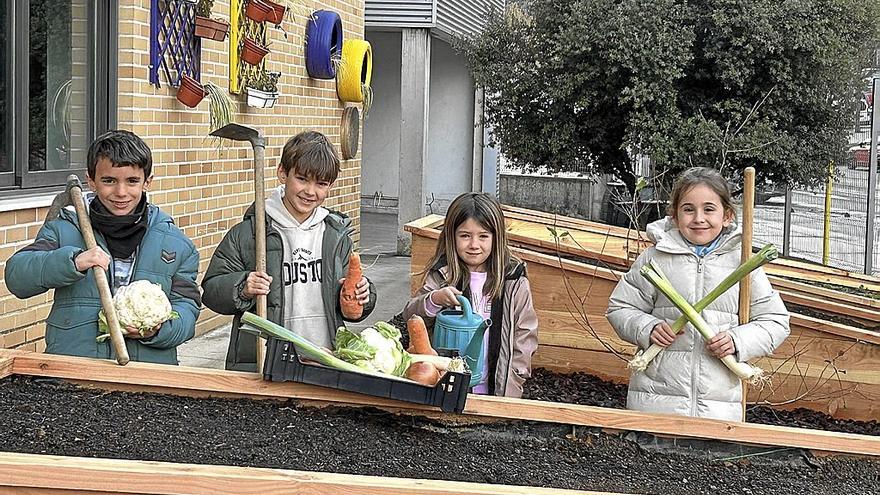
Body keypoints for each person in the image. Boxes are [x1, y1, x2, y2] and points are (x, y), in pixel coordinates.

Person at [606, 167, 789, 421]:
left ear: (727, 216)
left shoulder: (743, 264)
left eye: (709, 209)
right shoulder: (655, 259)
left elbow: (776, 321)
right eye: (688, 209)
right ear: (675, 215)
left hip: (719, 410)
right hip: (654, 403)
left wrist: (738, 341)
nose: (698, 218)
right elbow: (620, 308)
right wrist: (648, 328)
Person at [5, 130, 201, 364]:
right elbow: (17, 277)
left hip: (147, 374)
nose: (120, 192)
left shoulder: (175, 243)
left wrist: (159, 331)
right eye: (109, 180)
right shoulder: (66, 229)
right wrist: (73, 262)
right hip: (74, 366)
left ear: (147, 182)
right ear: (91, 181)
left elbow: (187, 309)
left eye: (132, 181)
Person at [202, 131, 376, 372]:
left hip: (324, 356)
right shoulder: (250, 234)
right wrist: (242, 286)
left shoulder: (335, 236)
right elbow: (211, 290)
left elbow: (349, 299)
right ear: (283, 172)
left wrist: (363, 297)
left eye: (321, 184)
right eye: (302, 179)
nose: (310, 191)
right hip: (265, 359)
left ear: (330, 186)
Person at [403, 192, 538, 397]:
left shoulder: (513, 278)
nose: (474, 244)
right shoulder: (443, 274)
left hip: (499, 387)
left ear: (496, 237)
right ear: (452, 236)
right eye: (465, 235)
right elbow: (411, 317)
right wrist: (434, 299)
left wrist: (517, 375)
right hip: (447, 388)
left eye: (483, 236)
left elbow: (525, 332)